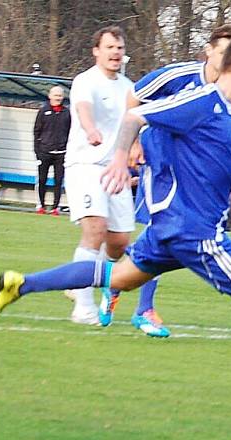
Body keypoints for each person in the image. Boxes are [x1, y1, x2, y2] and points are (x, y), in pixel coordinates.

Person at [0, 35, 231, 412]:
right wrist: (120, 156)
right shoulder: (200, 101)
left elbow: (222, 177)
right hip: (195, 234)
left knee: (118, 278)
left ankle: (21, 284)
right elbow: (135, 115)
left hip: (174, 231)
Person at [122, 24, 231, 338]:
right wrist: (134, 146)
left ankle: (116, 283)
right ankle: (139, 303)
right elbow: (134, 99)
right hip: (161, 163)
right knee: (165, 231)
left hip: (199, 170)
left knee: (169, 238)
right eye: (224, 50)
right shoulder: (177, 77)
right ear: (209, 51)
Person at [64, 25, 135, 325]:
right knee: (96, 229)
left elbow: (133, 120)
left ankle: (79, 277)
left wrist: (137, 147)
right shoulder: (85, 81)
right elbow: (82, 108)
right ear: (97, 51)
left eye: (119, 48)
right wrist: (91, 128)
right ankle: (83, 308)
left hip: (115, 169)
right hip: (85, 165)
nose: (115, 53)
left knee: (119, 241)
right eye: (110, 47)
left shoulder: (129, 86)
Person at [33, 86, 71, 215]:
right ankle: (41, 206)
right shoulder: (43, 111)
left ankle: (56, 207)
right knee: (42, 180)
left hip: (61, 153)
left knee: (58, 180)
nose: (58, 98)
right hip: (44, 152)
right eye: (55, 95)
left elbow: (71, 132)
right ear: (50, 96)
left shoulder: (67, 113)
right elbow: (36, 131)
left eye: (60, 95)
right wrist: (37, 151)